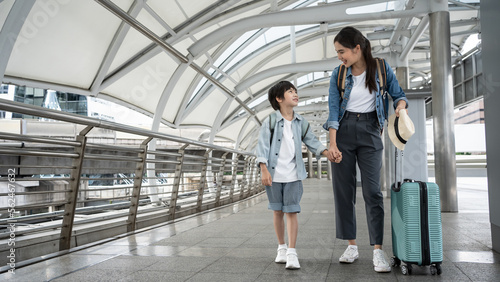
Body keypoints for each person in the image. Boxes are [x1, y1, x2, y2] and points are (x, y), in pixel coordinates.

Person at [323, 26, 409, 273]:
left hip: (371, 130)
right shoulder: (338, 74)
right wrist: (332, 144)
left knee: (373, 192)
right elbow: (333, 110)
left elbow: (398, 95)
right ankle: (351, 245)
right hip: (343, 131)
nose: (340, 57)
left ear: (357, 48)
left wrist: (401, 107)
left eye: (342, 51)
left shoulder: (381, 68)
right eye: (338, 53)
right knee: (344, 191)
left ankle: (377, 250)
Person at [256, 81, 336, 270]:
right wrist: (264, 169)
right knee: (277, 211)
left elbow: (313, 142)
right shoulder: (271, 121)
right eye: (290, 91)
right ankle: (281, 247)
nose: (295, 94)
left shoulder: (301, 122)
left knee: (292, 210)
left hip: (293, 175)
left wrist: (328, 153)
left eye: (295, 91)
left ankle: (292, 251)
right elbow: (262, 146)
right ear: (279, 98)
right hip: (274, 175)